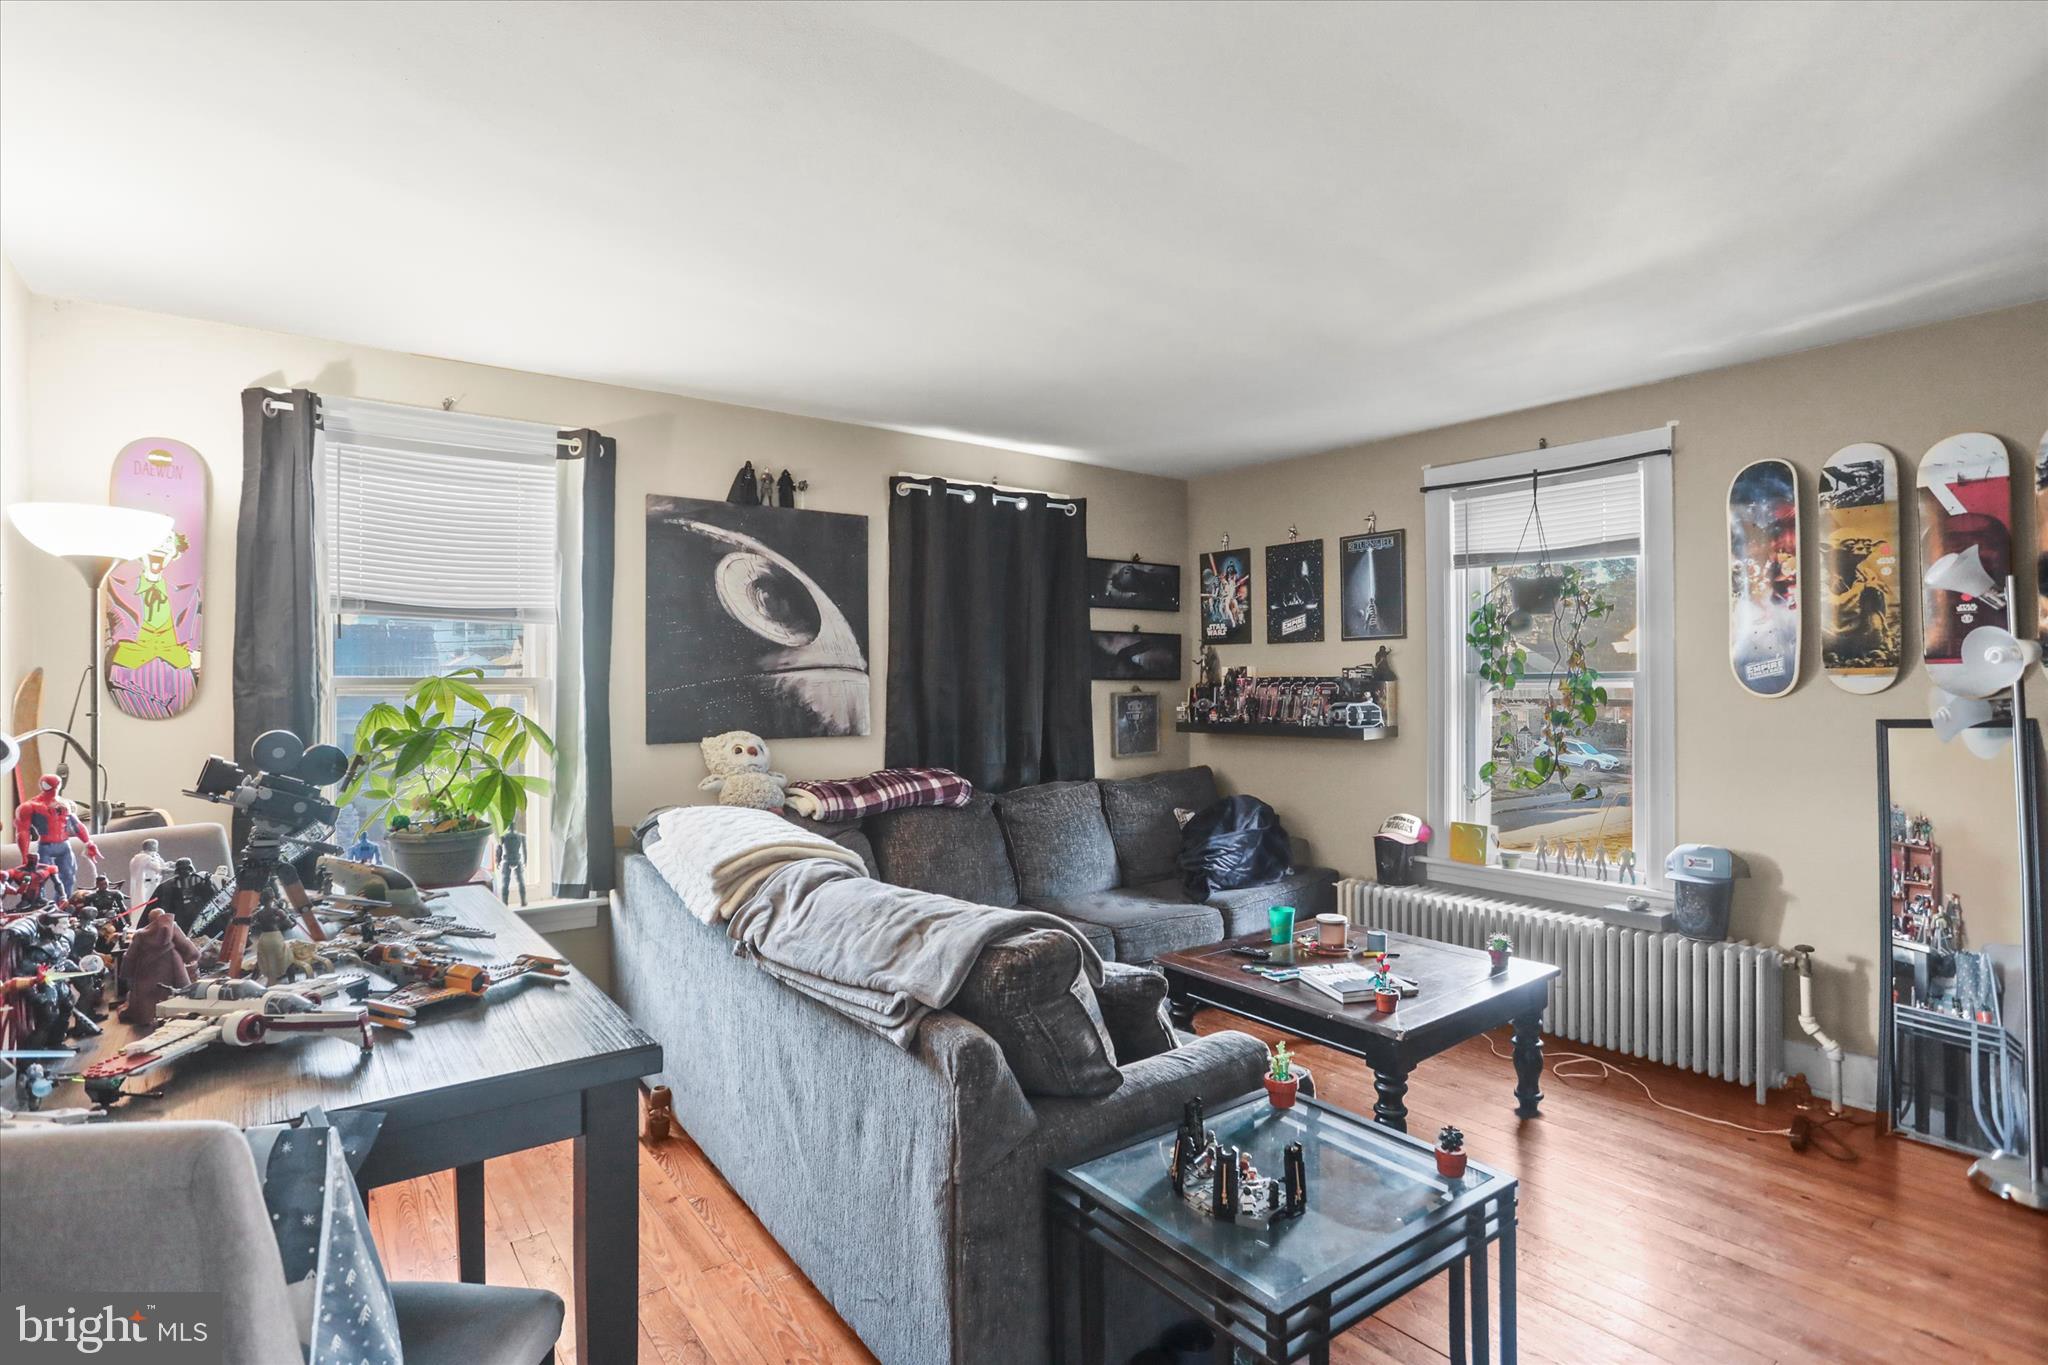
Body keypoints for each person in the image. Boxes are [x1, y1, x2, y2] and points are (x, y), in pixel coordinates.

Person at [14, 773, 100, 899]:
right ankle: (41, 906)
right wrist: (25, 856)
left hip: (64, 845)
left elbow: (76, 825)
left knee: (69, 876)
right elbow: (23, 831)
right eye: (49, 784)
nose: (53, 787)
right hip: (45, 846)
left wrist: (88, 843)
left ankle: (62, 905)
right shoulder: (30, 806)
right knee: (40, 878)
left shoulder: (66, 804)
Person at [496, 828, 527, 906]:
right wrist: (525, 860)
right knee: (519, 881)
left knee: (506, 882)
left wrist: (498, 860)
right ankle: (522, 901)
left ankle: (506, 902)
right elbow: (524, 849)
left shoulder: (504, 836)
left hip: (509, 860)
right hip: (515, 859)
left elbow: (499, 849)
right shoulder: (520, 836)